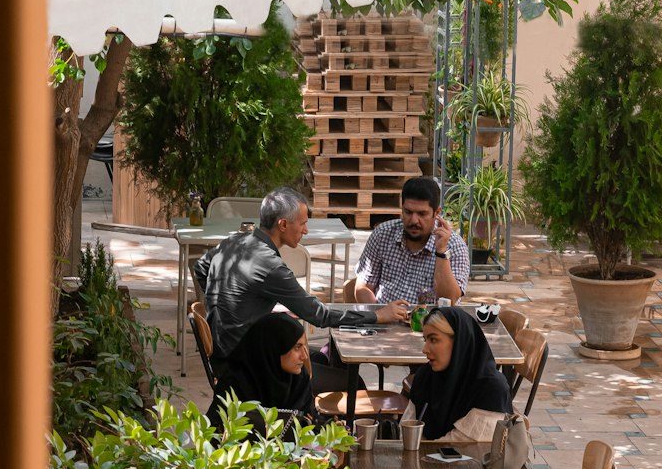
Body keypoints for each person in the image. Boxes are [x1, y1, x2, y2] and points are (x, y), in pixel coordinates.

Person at [193, 187, 407, 363]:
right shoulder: (271, 267)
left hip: (226, 354)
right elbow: (319, 315)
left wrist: (229, 305)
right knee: (348, 376)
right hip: (250, 367)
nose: (306, 231)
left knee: (325, 358)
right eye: (303, 223)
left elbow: (201, 269)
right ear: (283, 225)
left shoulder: (233, 241)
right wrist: (377, 315)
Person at [389, 306, 512, 469]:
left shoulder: (491, 388)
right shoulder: (427, 375)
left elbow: (463, 448)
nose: (425, 349)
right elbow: (408, 426)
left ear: (459, 342)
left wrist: (413, 458)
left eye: (434, 340)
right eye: (425, 340)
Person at [353, 177, 470, 307]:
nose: (414, 220)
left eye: (422, 214)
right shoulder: (383, 234)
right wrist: (379, 316)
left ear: (437, 213)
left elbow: (450, 300)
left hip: (430, 324)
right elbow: (363, 288)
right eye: (408, 212)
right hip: (384, 320)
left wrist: (441, 252)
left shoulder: (455, 246)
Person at [208, 313, 316, 430]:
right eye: (297, 347)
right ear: (274, 348)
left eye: (304, 346)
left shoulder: (299, 380)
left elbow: (309, 426)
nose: (305, 356)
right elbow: (215, 432)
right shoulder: (235, 383)